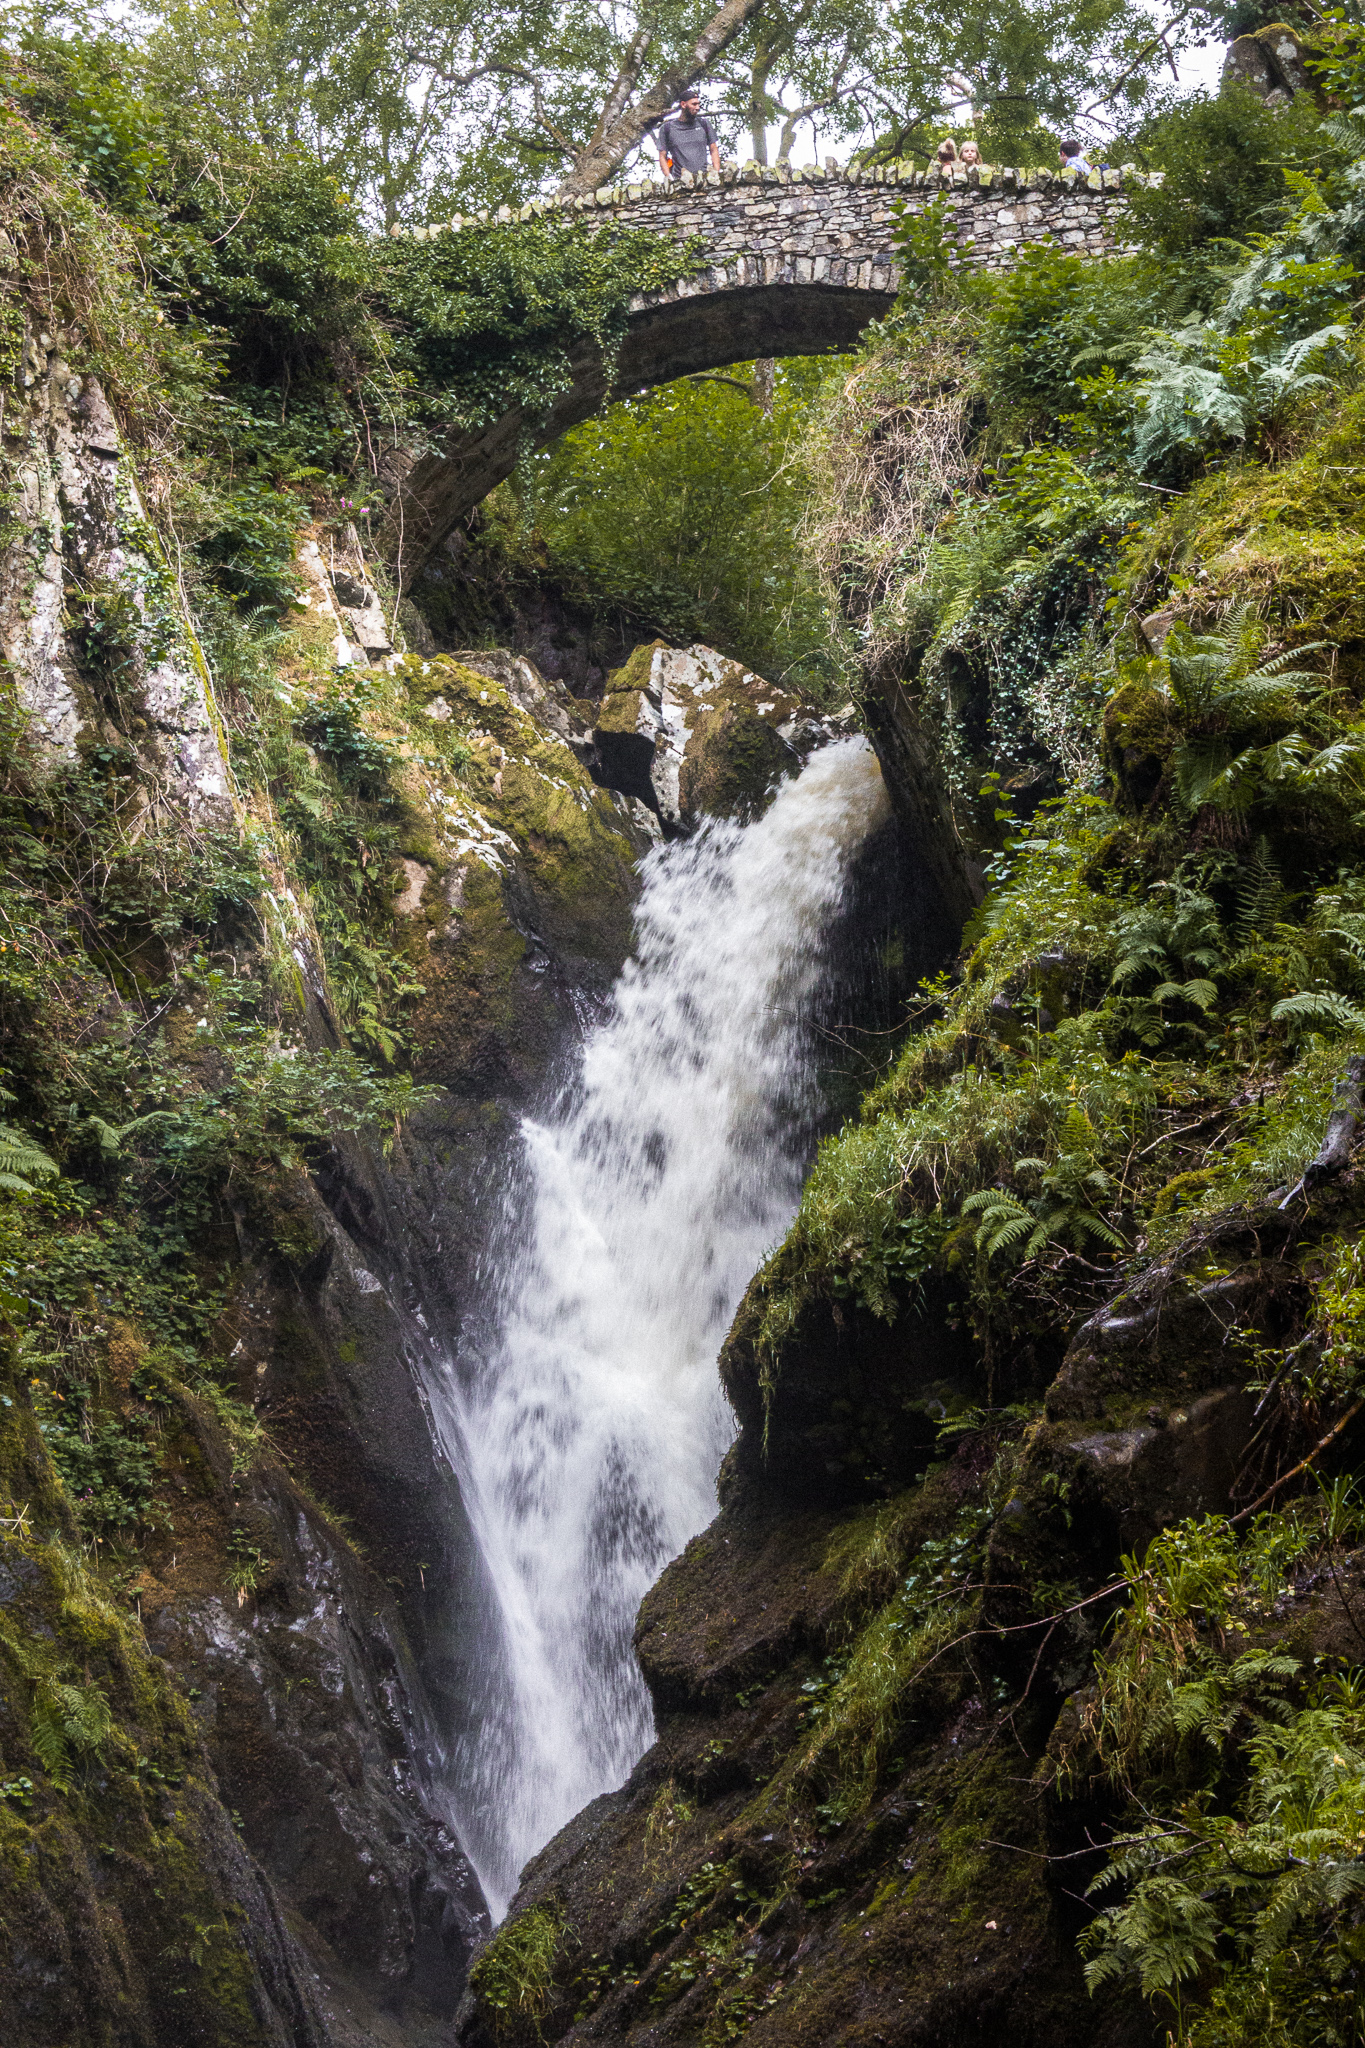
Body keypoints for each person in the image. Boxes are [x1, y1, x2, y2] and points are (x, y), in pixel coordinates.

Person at [658, 90, 721, 181]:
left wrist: (716, 173)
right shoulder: (667, 128)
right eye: (694, 104)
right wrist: (669, 178)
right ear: (683, 104)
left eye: (698, 104)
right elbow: (662, 155)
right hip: (680, 181)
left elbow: (714, 148)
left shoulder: (704, 124)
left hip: (704, 180)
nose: (698, 107)